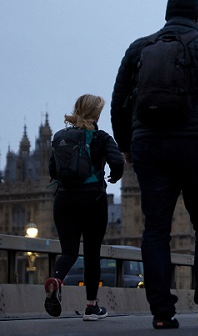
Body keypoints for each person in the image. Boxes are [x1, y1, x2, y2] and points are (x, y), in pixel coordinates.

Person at [111, 0, 198, 329]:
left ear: (167, 15)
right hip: (195, 144)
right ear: (197, 18)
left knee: (155, 229)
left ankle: (161, 312)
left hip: (149, 148)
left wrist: (125, 144)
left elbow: (118, 101)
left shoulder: (139, 48)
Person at [44, 94, 124, 320]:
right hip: (92, 201)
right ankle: (91, 307)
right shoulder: (101, 137)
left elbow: (53, 170)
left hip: (64, 201)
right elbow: (117, 162)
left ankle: (57, 280)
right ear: (97, 114)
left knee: (69, 251)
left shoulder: (62, 138)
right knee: (91, 254)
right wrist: (114, 177)